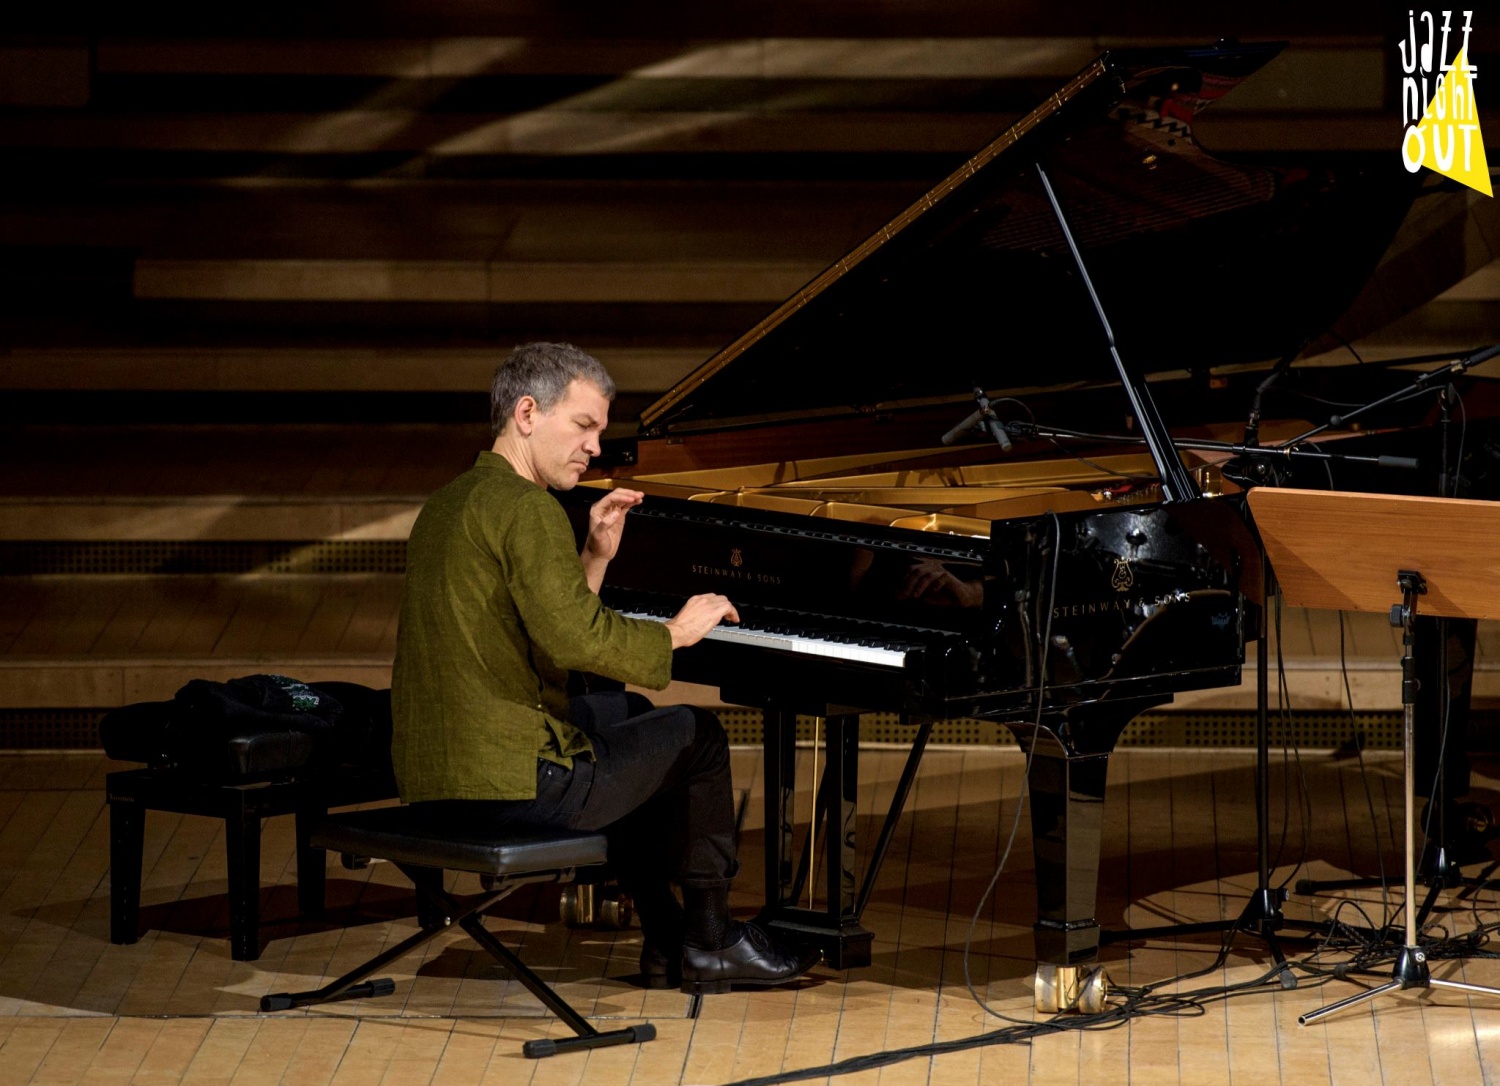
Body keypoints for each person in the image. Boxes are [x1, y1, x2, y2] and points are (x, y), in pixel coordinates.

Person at [390, 341, 819, 994]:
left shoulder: (454, 500)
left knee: (628, 716)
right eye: (584, 425)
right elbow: (574, 641)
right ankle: (709, 942)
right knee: (696, 738)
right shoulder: (526, 508)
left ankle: (662, 937)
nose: (595, 447)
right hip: (509, 781)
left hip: (439, 771)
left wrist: (594, 557)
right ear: (528, 413)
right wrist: (674, 632)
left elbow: (543, 640)